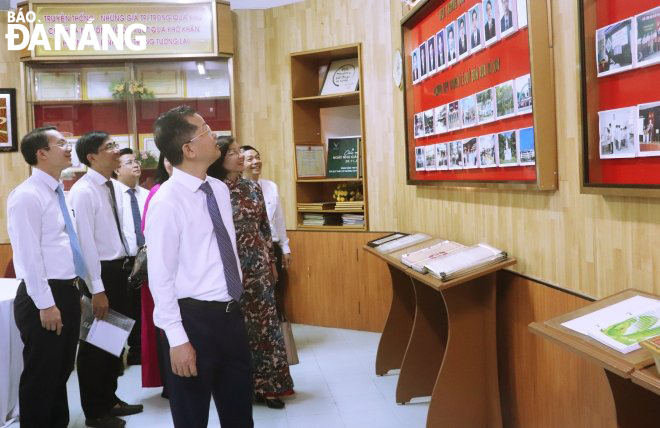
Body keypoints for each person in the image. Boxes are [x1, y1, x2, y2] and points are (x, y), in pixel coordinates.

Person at [146, 106, 253, 428]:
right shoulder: (167, 202)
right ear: (188, 149)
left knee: (238, 411)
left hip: (230, 313)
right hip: (192, 319)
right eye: (205, 130)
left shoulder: (218, 189)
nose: (215, 135)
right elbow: (160, 277)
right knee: (192, 414)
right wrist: (177, 340)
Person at [208, 137, 294, 409]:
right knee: (235, 329)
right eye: (233, 152)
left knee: (266, 326)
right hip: (225, 267)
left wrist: (271, 261)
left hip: (257, 264)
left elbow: (264, 228)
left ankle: (270, 387)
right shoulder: (212, 189)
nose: (240, 156)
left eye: (238, 151)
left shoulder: (251, 187)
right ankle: (239, 386)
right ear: (220, 159)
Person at [8, 127, 83, 428]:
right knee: (41, 376)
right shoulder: (26, 196)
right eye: (61, 143)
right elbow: (28, 256)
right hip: (44, 295)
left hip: (66, 291)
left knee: (60, 371)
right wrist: (45, 304)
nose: (69, 148)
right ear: (41, 153)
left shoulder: (57, 192)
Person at [69, 132, 143, 428]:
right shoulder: (83, 190)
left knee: (114, 341)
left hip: (119, 269)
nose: (116, 151)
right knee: (95, 346)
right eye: (109, 147)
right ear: (91, 157)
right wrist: (97, 289)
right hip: (100, 274)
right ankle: (94, 412)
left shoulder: (110, 186)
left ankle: (109, 399)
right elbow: (85, 243)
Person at [240, 145, 292, 320]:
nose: (256, 162)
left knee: (276, 292)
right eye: (250, 159)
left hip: (273, 248)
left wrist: (285, 247)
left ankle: (278, 336)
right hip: (252, 251)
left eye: (257, 157)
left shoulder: (271, 186)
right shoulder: (236, 191)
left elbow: (279, 219)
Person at [140, 153, 173, 396]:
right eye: (169, 158)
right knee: (167, 327)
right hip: (165, 271)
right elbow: (147, 232)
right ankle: (170, 383)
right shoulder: (158, 192)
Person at [111, 148, 148, 366]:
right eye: (129, 162)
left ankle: (139, 352)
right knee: (119, 309)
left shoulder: (147, 194)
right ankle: (115, 357)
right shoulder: (112, 194)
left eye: (136, 161)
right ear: (116, 169)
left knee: (140, 308)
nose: (136, 165)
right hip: (122, 261)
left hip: (144, 261)